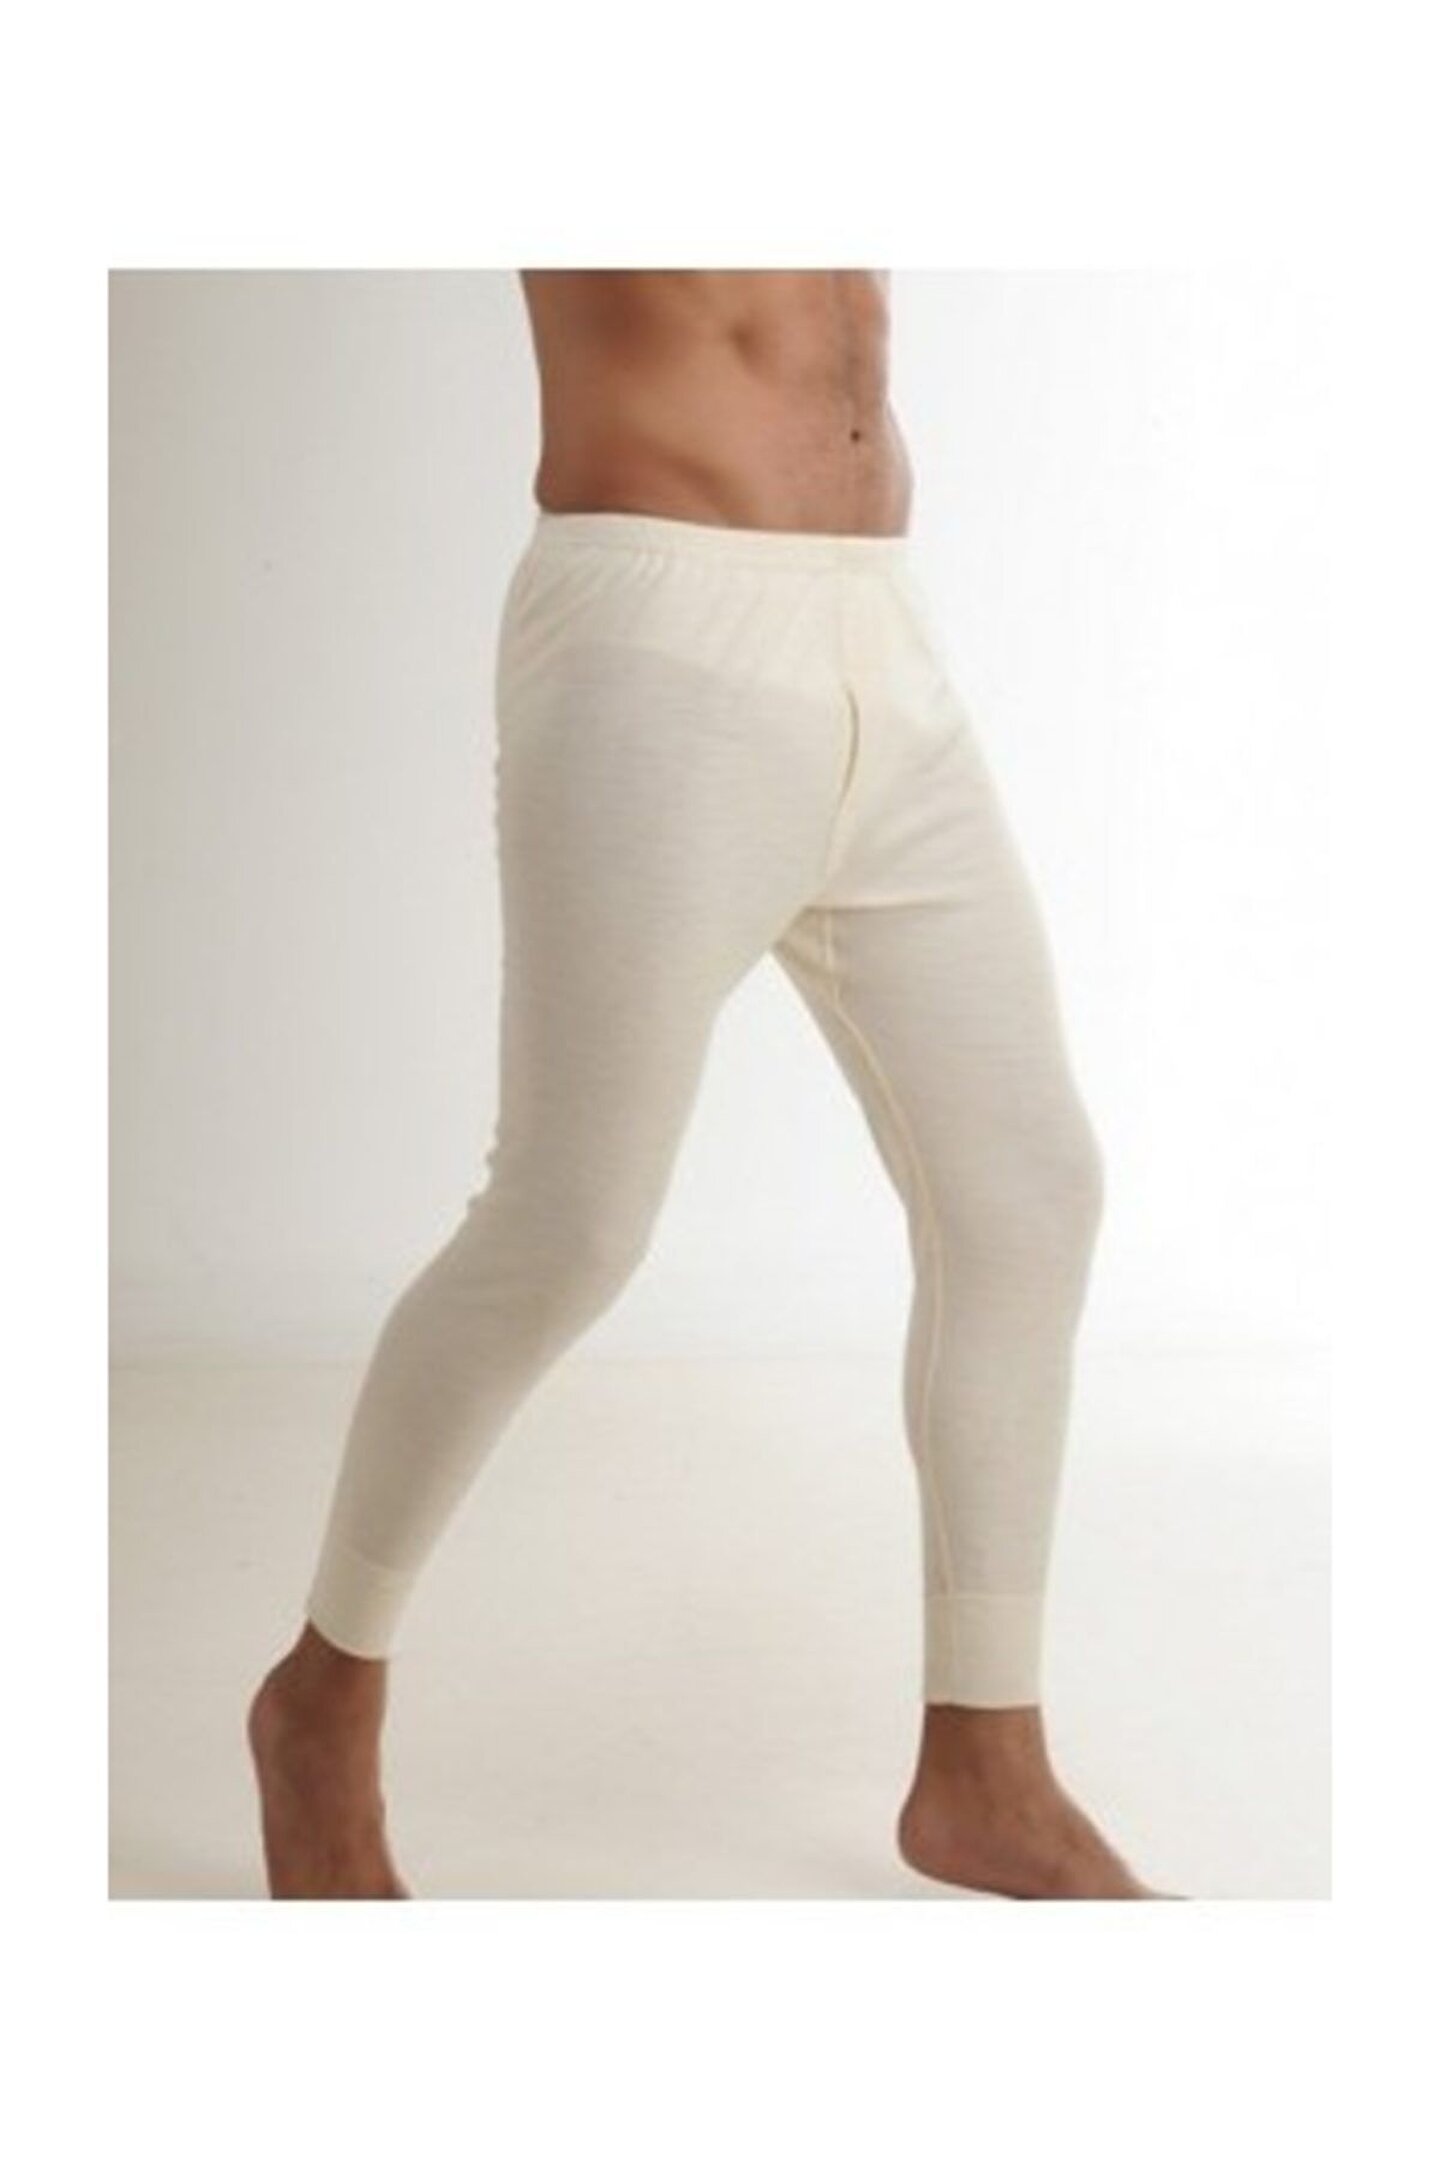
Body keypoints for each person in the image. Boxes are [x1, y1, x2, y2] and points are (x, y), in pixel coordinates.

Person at [247, 269, 1177, 1899]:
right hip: (660, 633)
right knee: (568, 1226)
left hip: (882, 632)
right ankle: (322, 1698)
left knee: (1027, 1192)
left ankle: (988, 1760)